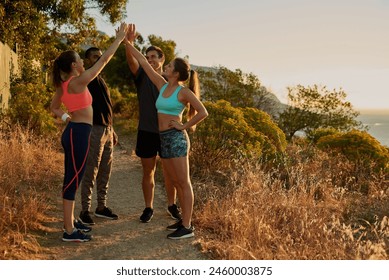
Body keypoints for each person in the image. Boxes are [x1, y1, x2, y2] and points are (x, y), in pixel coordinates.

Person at [125, 24, 208, 239]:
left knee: (183, 182)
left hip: (176, 140)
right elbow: (143, 62)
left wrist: (183, 126)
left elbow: (202, 112)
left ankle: (187, 227)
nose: (166, 66)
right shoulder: (162, 85)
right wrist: (126, 42)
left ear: (176, 73)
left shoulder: (184, 92)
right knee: (174, 181)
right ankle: (183, 220)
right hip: (162, 139)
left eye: (169, 65)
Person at [50, 23, 128, 242]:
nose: (84, 63)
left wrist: (67, 118)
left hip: (75, 131)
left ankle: (71, 222)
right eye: (81, 60)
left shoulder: (64, 85)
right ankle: (68, 231)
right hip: (78, 134)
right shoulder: (78, 81)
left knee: (72, 178)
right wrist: (119, 40)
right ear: (75, 65)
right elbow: (103, 61)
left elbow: (54, 107)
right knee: (72, 181)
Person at [124, 31, 182, 223]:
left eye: (153, 57)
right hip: (146, 132)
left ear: (162, 59)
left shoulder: (170, 81)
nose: (149, 60)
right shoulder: (142, 75)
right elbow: (133, 62)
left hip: (167, 134)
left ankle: (172, 205)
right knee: (148, 171)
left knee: (169, 173)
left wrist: (183, 124)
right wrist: (128, 43)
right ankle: (148, 207)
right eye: (147, 57)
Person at [78, 47, 119, 225]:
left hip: (107, 130)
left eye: (100, 56)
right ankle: (84, 210)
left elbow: (106, 107)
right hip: (93, 129)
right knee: (91, 169)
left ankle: (101, 207)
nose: (98, 59)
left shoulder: (101, 80)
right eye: (95, 56)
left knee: (105, 170)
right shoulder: (87, 77)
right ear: (87, 60)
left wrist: (112, 129)